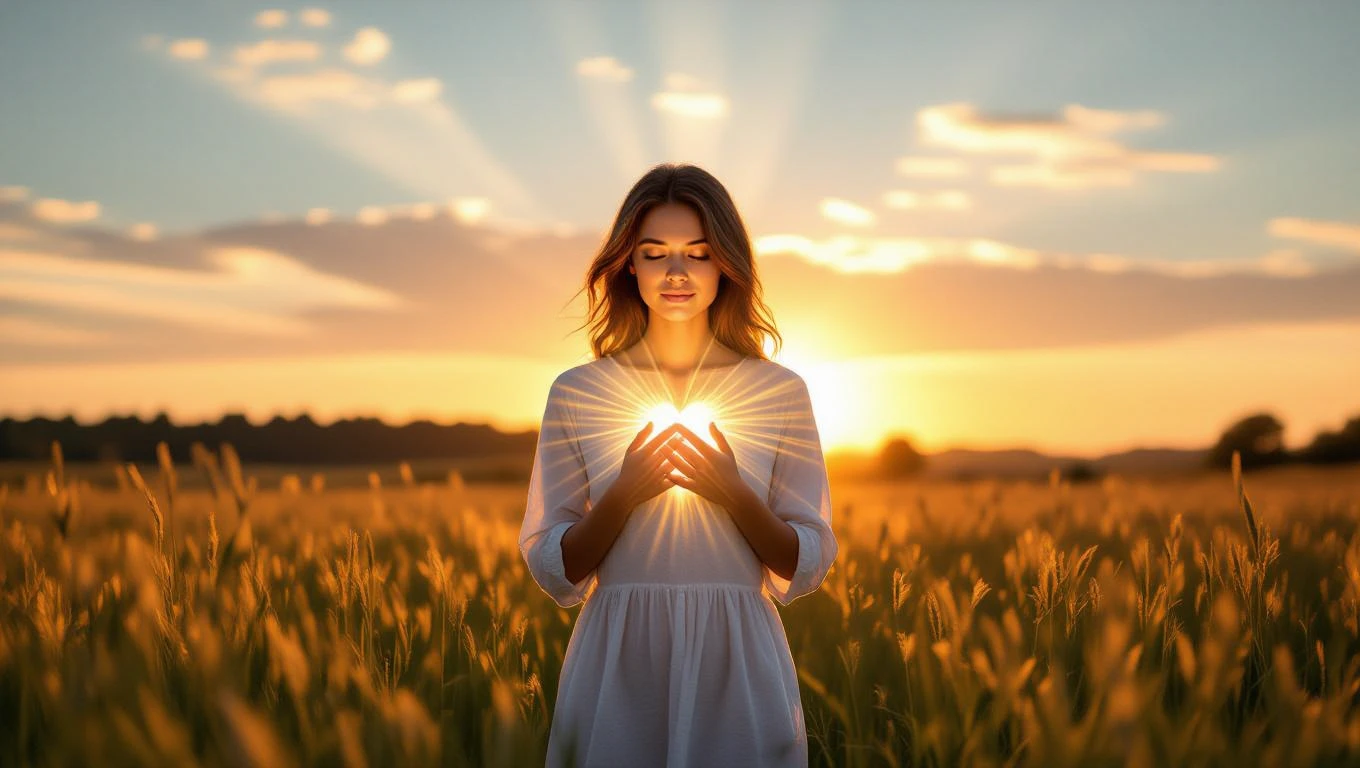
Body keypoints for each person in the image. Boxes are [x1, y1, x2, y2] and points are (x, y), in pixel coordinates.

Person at [519, 163, 838, 767]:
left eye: (697, 252)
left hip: (737, 660)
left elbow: (804, 562)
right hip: (618, 664)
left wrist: (732, 492)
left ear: (726, 265)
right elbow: (558, 570)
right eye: (654, 252)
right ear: (627, 264)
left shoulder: (779, 391)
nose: (675, 272)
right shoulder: (577, 391)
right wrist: (624, 493)